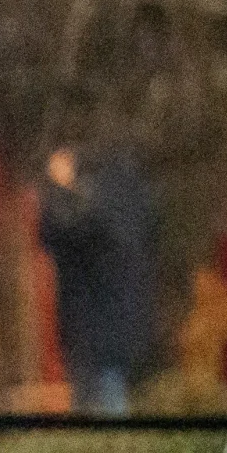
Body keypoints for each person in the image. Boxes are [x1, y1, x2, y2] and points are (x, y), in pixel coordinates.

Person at [39, 146, 160, 418]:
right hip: (110, 335)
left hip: (95, 336)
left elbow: (61, 231)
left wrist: (59, 187)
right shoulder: (130, 202)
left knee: (103, 406)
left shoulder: (100, 214)